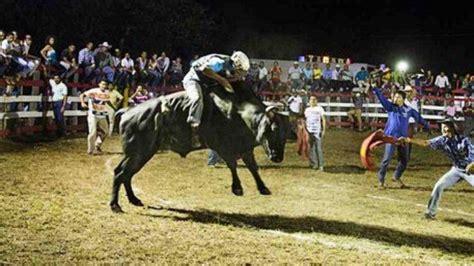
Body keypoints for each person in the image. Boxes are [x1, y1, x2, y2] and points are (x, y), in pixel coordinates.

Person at [399, 119, 474, 219]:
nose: (443, 129)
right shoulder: (442, 140)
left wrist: (472, 164)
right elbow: (426, 143)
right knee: (439, 186)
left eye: (445, 127)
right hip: (456, 170)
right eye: (442, 127)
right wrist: (409, 140)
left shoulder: (465, 140)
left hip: (471, 170)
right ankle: (430, 213)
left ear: (452, 128)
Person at [373, 87, 430, 188]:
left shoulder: (408, 109)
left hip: (403, 138)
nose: (395, 99)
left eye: (398, 97)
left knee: (405, 160)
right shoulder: (390, 107)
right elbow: (382, 99)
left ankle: (396, 176)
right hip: (391, 138)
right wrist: (375, 89)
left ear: (403, 99)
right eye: (395, 97)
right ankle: (381, 181)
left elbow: (419, 118)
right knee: (386, 160)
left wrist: (427, 126)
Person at [182, 51, 250, 130]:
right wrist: (222, 80)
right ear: (235, 65)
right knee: (196, 98)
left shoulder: (230, 67)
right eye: (239, 71)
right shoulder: (219, 62)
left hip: (207, 83)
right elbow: (204, 69)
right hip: (193, 79)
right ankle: (193, 126)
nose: (240, 74)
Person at [80, 80, 110, 155]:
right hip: (93, 114)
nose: (104, 86)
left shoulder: (107, 93)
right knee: (93, 132)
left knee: (105, 132)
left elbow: (106, 102)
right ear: (99, 84)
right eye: (102, 84)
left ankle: (97, 145)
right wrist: (83, 102)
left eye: (105, 84)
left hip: (102, 114)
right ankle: (91, 149)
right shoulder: (93, 91)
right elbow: (82, 95)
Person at [304, 96, 326, 171]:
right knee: (311, 148)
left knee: (318, 148)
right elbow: (306, 120)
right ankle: (313, 164)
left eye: (314, 100)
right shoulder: (307, 110)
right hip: (309, 130)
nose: (312, 101)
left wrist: (323, 130)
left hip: (317, 130)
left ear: (316, 101)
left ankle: (321, 165)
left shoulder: (319, 109)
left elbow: (323, 119)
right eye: (311, 100)